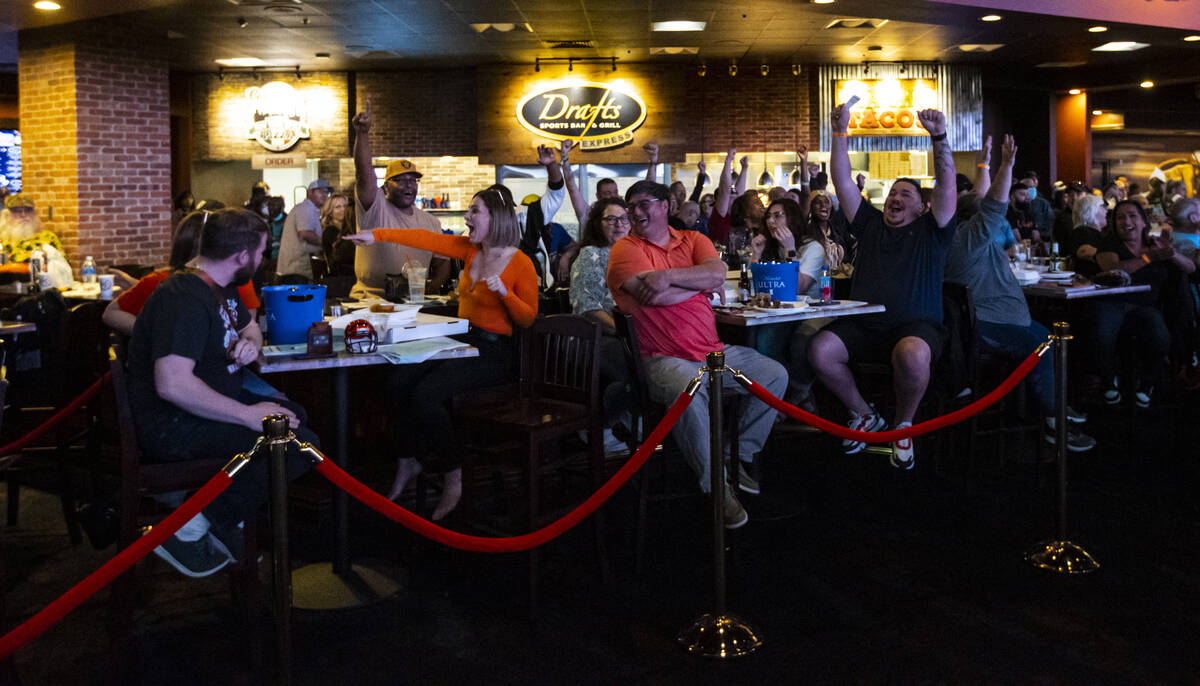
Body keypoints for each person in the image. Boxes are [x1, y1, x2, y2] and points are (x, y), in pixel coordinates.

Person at [127, 208, 316, 577]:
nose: (263, 259)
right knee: (295, 445)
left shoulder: (220, 284)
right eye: (261, 252)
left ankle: (225, 521)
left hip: (199, 409)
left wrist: (248, 341)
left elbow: (250, 328)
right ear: (241, 256)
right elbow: (172, 384)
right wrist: (247, 414)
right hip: (172, 424)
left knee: (296, 417)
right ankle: (187, 530)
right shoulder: (182, 299)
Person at [345, 188, 538, 520]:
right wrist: (374, 234)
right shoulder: (470, 250)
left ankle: (454, 473)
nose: (467, 216)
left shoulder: (520, 263)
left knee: (425, 395)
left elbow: (528, 318)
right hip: (460, 340)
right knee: (395, 382)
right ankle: (409, 461)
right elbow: (423, 238)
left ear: (496, 217)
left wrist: (506, 294)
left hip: (493, 352)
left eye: (474, 211)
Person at [606, 180, 787, 529]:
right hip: (660, 359)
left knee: (775, 374)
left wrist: (671, 279)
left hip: (714, 353)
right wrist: (700, 289)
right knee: (690, 387)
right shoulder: (625, 249)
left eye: (643, 204)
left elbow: (717, 272)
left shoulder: (693, 239)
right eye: (631, 207)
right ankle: (717, 486)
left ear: (665, 206)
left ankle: (738, 455)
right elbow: (651, 296)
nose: (636, 213)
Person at [808, 104, 957, 470]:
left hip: (915, 328)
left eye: (906, 194)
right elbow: (842, 182)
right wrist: (840, 132)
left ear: (922, 206)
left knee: (912, 355)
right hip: (865, 323)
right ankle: (863, 414)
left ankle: (903, 425)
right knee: (820, 350)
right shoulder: (871, 224)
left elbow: (948, 185)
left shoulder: (932, 230)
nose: (896, 197)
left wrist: (939, 137)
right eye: (893, 192)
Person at [945, 135, 1094, 451]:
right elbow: (993, 204)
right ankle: (1054, 422)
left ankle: (1045, 404)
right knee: (1044, 345)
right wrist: (1008, 165)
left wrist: (984, 163)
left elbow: (982, 198)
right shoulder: (969, 238)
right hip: (988, 327)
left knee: (1048, 337)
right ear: (979, 221)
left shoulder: (964, 238)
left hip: (997, 321)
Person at [1091, 200, 1193, 407]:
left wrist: (1170, 252)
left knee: (1160, 335)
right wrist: (1149, 258)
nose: (1126, 221)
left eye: (1132, 216)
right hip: (1113, 302)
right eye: (1120, 217)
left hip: (1146, 306)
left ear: (1144, 221)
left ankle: (1146, 383)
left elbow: (1190, 268)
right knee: (1102, 333)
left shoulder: (1154, 244)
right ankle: (1108, 381)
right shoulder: (1110, 244)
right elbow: (1114, 269)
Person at [350, 109, 449, 298]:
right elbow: (363, 173)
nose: (408, 185)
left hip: (415, 302)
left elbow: (442, 261)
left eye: (413, 180)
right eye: (400, 180)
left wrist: (433, 286)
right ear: (386, 186)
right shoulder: (375, 208)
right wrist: (362, 134)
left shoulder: (431, 222)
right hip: (371, 301)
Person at [568, 198, 632, 427]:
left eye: (624, 218)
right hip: (594, 337)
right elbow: (587, 309)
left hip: (622, 334)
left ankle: (631, 423)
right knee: (639, 366)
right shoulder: (591, 255)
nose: (619, 224)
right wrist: (627, 334)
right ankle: (604, 426)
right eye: (611, 219)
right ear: (597, 224)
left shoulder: (633, 254)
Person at [275, 179, 332, 284]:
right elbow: (305, 234)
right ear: (310, 192)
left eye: (326, 192)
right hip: (296, 271)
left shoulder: (310, 210)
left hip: (297, 269)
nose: (324, 195)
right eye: (320, 191)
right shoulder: (306, 208)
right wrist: (328, 244)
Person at [1066, 193, 1108, 279]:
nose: (1106, 210)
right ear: (1092, 210)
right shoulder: (1083, 232)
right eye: (1102, 207)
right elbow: (1084, 252)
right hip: (1090, 282)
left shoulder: (1100, 232)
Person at [320, 192, 356, 277]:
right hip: (339, 276)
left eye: (345, 206)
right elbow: (344, 254)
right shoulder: (329, 231)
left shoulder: (348, 229)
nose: (343, 209)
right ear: (330, 212)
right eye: (338, 207)